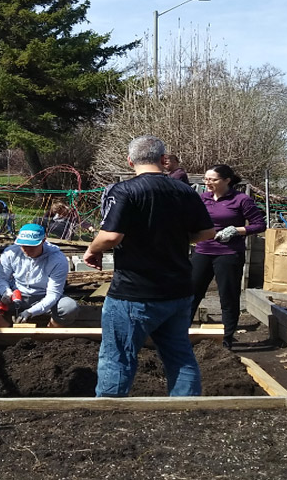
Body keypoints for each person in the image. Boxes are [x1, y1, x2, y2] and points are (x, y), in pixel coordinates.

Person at [84, 135, 215, 397]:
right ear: (162, 159)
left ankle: (109, 413)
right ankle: (187, 412)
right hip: (178, 291)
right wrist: (177, 238)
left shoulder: (125, 190)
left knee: (118, 356)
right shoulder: (186, 191)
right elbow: (207, 232)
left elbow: (111, 236)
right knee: (179, 355)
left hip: (134, 292)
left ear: (130, 160)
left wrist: (92, 249)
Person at [191, 164, 267, 349]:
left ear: (227, 180)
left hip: (228, 254)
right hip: (202, 250)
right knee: (191, 293)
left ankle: (226, 339)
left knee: (228, 295)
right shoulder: (203, 198)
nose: (208, 183)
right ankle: (182, 334)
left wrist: (237, 230)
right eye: (206, 179)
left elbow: (259, 225)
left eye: (213, 180)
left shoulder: (241, 200)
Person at [0, 223, 79, 327]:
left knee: (69, 307)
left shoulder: (57, 259)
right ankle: (7, 330)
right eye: (23, 245)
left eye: (32, 246)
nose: (27, 250)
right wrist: (6, 292)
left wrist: (31, 312)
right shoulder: (11, 253)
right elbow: (1, 279)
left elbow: (53, 294)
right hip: (16, 295)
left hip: (43, 297)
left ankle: (48, 335)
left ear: (43, 241)